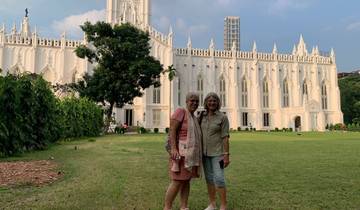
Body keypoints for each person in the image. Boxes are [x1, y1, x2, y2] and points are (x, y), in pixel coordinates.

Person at [164, 92, 202, 210]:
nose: (194, 103)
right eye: (192, 100)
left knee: (186, 181)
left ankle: (184, 206)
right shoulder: (180, 112)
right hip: (179, 154)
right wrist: (174, 149)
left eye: (196, 101)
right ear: (186, 102)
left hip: (190, 155)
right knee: (177, 181)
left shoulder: (194, 118)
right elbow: (172, 131)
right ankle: (167, 207)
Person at [200, 92, 230, 210]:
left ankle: (223, 205)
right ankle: (212, 204)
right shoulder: (201, 116)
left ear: (218, 103)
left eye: (214, 101)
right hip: (204, 154)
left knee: (219, 178)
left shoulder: (223, 117)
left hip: (218, 154)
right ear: (206, 103)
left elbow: (225, 137)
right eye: (210, 101)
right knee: (209, 178)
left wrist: (226, 155)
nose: (212, 103)